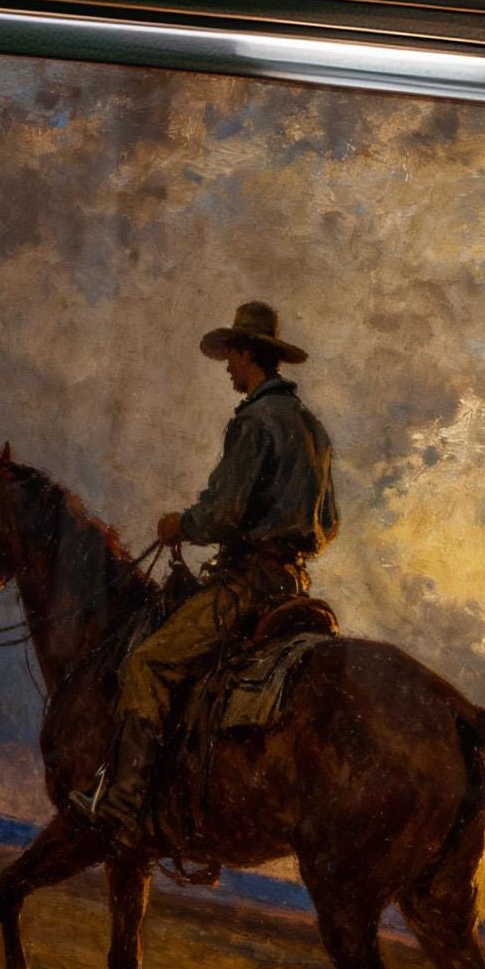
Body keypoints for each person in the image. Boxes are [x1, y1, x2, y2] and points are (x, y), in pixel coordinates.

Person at [80, 299, 337, 849]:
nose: (226, 367)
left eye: (230, 356)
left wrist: (181, 524)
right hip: (293, 586)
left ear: (249, 356)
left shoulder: (254, 421)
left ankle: (125, 801)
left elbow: (222, 513)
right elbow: (329, 524)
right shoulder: (313, 430)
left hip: (247, 585)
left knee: (148, 661)